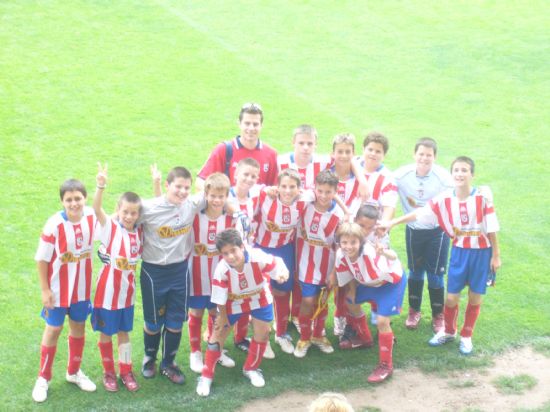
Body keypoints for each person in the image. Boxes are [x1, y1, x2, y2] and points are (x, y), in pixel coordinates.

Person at [379, 156, 501, 355]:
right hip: (459, 252)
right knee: (452, 298)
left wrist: (496, 255)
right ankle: (449, 331)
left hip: (481, 253)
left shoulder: (482, 197)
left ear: (472, 174)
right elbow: (419, 213)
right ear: (451, 174)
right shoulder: (444, 199)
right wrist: (392, 223)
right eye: (457, 170)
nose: (460, 174)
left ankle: (467, 337)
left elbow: (492, 227)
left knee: (475, 297)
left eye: (464, 170)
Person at [196, 229, 289, 397]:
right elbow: (219, 299)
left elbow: (278, 264)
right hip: (232, 301)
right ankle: (206, 375)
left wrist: (283, 274)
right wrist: (222, 318)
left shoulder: (258, 257)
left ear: (242, 247)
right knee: (217, 336)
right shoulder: (221, 270)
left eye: (233, 250)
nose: (231, 256)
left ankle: (251, 368)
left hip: (258, 297)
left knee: (264, 333)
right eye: (225, 253)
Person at [139, 166, 206, 385]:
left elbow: (216, 194)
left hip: (179, 271)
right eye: (178, 186)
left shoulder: (191, 205)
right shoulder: (147, 208)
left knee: (176, 321)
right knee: (153, 322)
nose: (183, 191)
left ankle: (169, 363)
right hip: (153, 272)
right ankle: (149, 358)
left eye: (187, 187)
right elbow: (119, 219)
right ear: (168, 185)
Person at [32, 179, 97, 402]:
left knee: (78, 327)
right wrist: (45, 290)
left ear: (84, 198)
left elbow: (112, 223)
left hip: (81, 290)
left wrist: (101, 187)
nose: (74, 203)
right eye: (68, 200)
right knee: (53, 329)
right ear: (62, 201)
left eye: (77, 198)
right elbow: (41, 260)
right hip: (57, 291)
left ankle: (73, 372)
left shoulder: (91, 217)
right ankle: (43, 378)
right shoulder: (54, 225)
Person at [332, 222, 407, 383]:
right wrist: (352, 289)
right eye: (344, 242)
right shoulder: (340, 255)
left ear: (361, 241)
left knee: (382, 322)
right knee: (350, 301)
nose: (348, 246)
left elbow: (393, 256)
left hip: (390, 284)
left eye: (353, 242)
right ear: (339, 242)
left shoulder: (370, 251)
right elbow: (347, 276)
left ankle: (386, 365)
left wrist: (384, 252)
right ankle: (365, 339)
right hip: (369, 284)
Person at [393, 138, 453, 332]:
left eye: (429, 155)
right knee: (415, 272)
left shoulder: (444, 178)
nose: (424, 158)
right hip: (414, 231)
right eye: (421, 154)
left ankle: (438, 315)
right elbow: (382, 181)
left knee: (435, 275)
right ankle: (414, 311)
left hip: (438, 232)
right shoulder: (402, 175)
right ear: (414, 154)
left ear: (434, 157)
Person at [91, 163, 142, 392]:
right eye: (125, 212)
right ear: (118, 211)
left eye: (133, 213)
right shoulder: (111, 228)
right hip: (107, 293)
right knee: (105, 333)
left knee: (124, 333)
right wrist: (100, 185)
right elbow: (97, 209)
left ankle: (126, 371)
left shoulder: (139, 232)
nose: (129, 216)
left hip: (127, 294)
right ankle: (108, 372)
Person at [277, 124, 332, 332]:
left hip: (308, 231)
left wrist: (361, 180)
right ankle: (281, 318)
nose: (306, 147)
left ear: (316, 144)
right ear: (293, 143)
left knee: (303, 273)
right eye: (301, 143)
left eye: (310, 143)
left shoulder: (324, 162)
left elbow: (349, 158)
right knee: (285, 275)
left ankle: (299, 316)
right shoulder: (281, 161)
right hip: (284, 229)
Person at [187, 173, 239, 374]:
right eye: (213, 196)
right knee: (196, 312)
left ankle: (214, 348)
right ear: (205, 194)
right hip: (197, 272)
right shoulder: (195, 216)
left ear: (227, 196)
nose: (217, 200)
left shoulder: (231, 219)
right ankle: (194, 353)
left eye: (221, 196)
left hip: (220, 275)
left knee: (217, 312)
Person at [227, 158, 275, 359]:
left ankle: (243, 337)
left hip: (250, 254)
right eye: (245, 174)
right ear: (235, 173)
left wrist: (271, 190)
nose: (249, 179)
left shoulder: (256, 192)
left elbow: (271, 189)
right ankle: (217, 341)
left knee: (253, 291)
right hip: (228, 257)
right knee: (229, 298)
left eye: (253, 176)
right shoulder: (226, 195)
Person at [294, 170, 344, 357]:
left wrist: (333, 273)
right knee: (307, 301)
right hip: (305, 264)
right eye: (320, 191)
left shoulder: (339, 216)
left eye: (328, 192)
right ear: (315, 189)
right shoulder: (305, 205)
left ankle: (318, 335)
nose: (323, 196)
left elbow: (340, 246)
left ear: (335, 192)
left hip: (327, 266)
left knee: (322, 303)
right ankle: (304, 337)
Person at [196, 103, 278, 190]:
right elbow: (201, 181)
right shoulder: (224, 150)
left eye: (255, 124)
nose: (251, 128)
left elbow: (277, 188)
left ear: (261, 125)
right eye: (247, 123)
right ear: (239, 124)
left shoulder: (271, 155)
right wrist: (220, 199)